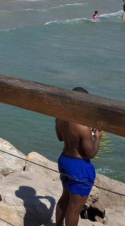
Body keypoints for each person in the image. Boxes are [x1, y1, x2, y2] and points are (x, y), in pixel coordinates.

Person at [55, 87, 102, 226]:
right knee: (74, 208)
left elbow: (60, 137)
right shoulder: (83, 126)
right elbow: (90, 153)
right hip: (79, 167)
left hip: (65, 160)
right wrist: (97, 138)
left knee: (65, 198)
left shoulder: (60, 118)